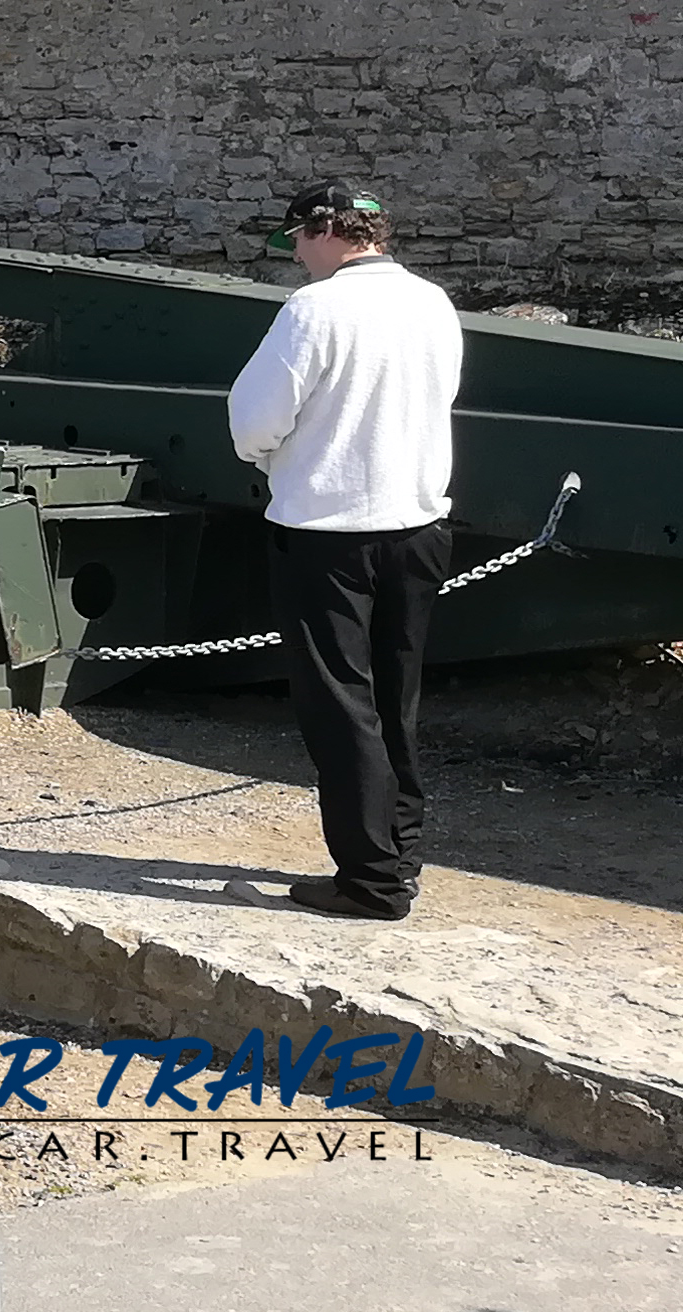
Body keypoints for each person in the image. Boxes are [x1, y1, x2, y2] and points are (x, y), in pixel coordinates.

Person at [228, 182, 463, 920]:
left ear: (328, 231)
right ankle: (398, 854)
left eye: (298, 239)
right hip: (417, 525)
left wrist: (267, 457)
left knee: (339, 704)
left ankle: (369, 880)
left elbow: (255, 419)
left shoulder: (314, 309)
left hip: (328, 532)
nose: (296, 254)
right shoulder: (432, 302)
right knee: (396, 699)